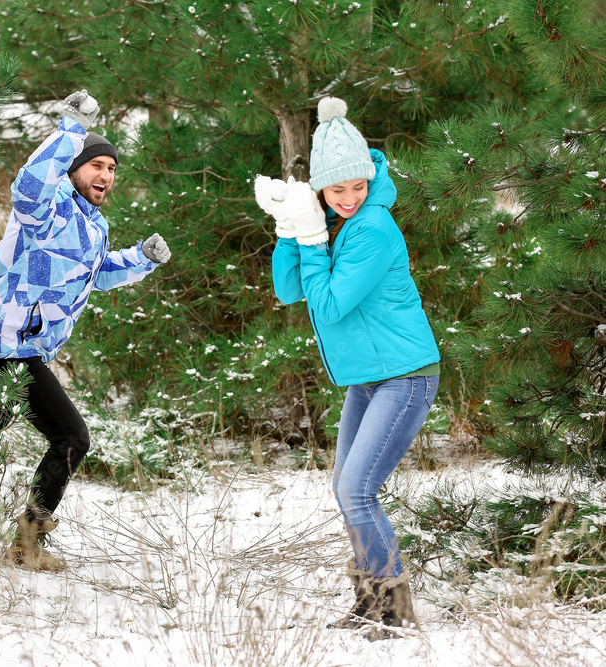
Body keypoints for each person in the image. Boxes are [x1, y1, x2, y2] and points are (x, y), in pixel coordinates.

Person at [0, 90, 171, 571]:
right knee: (72, 438)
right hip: (13, 344)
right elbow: (29, 183)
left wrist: (141, 259)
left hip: (21, 348)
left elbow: (97, 274)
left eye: (112, 169)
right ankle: (26, 543)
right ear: (72, 168)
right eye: (97, 166)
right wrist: (71, 129)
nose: (106, 176)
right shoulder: (44, 211)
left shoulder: (92, 225)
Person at [256, 97, 440, 638]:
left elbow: (331, 304)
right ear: (320, 190)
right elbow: (290, 289)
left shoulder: (374, 229)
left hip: (406, 376)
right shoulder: (334, 221)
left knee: (357, 489)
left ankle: (395, 611)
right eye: (337, 190)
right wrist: (292, 230)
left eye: (358, 185)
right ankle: (369, 602)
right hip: (369, 380)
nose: (351, 198)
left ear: (368, 177)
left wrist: (314, 239)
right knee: (345, 487)